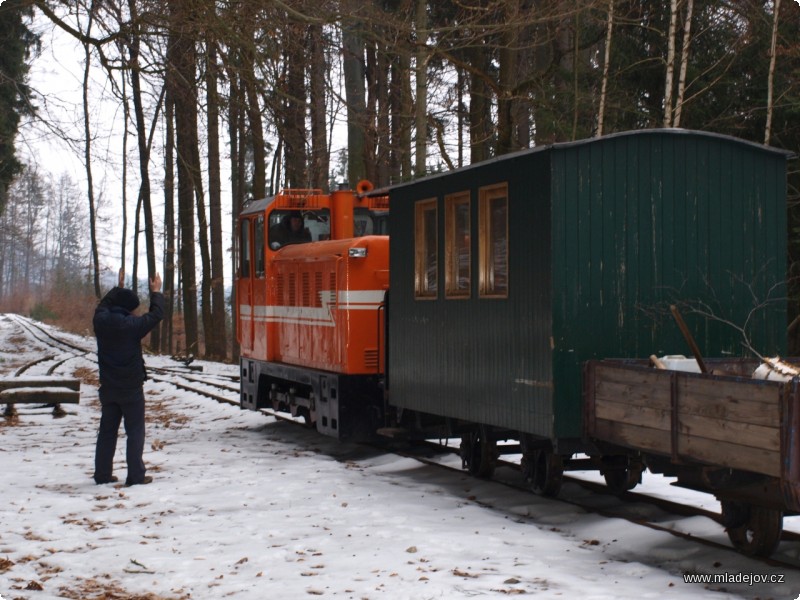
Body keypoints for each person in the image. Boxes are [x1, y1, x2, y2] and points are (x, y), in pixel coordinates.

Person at [93, 269, 164, 486]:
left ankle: (102, 474)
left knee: (107, 431)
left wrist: (119, 287)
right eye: (134, 308)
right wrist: (156, 292)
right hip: (131, 388)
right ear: (128, 309)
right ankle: (135, 476)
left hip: (108, 387)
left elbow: (103, 304)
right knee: (134, 432)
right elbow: (156, 314)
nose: (135, 312)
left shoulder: (101, 321)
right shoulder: (133, 326)